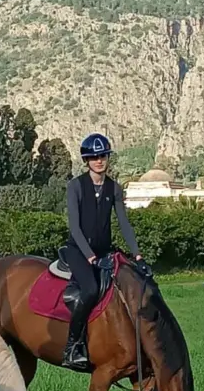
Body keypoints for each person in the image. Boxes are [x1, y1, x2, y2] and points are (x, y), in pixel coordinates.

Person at [61, 132, 151, 370]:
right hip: (79, 251)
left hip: (105, 253)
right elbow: (75, 227)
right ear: (86, 160)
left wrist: (138, 256)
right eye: (94, 157)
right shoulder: (76, 186)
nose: (99, 160)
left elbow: (124, 224)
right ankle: (72, 347)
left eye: (103, 156)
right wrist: (91, 258)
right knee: (90, 289)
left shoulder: (114, 188)